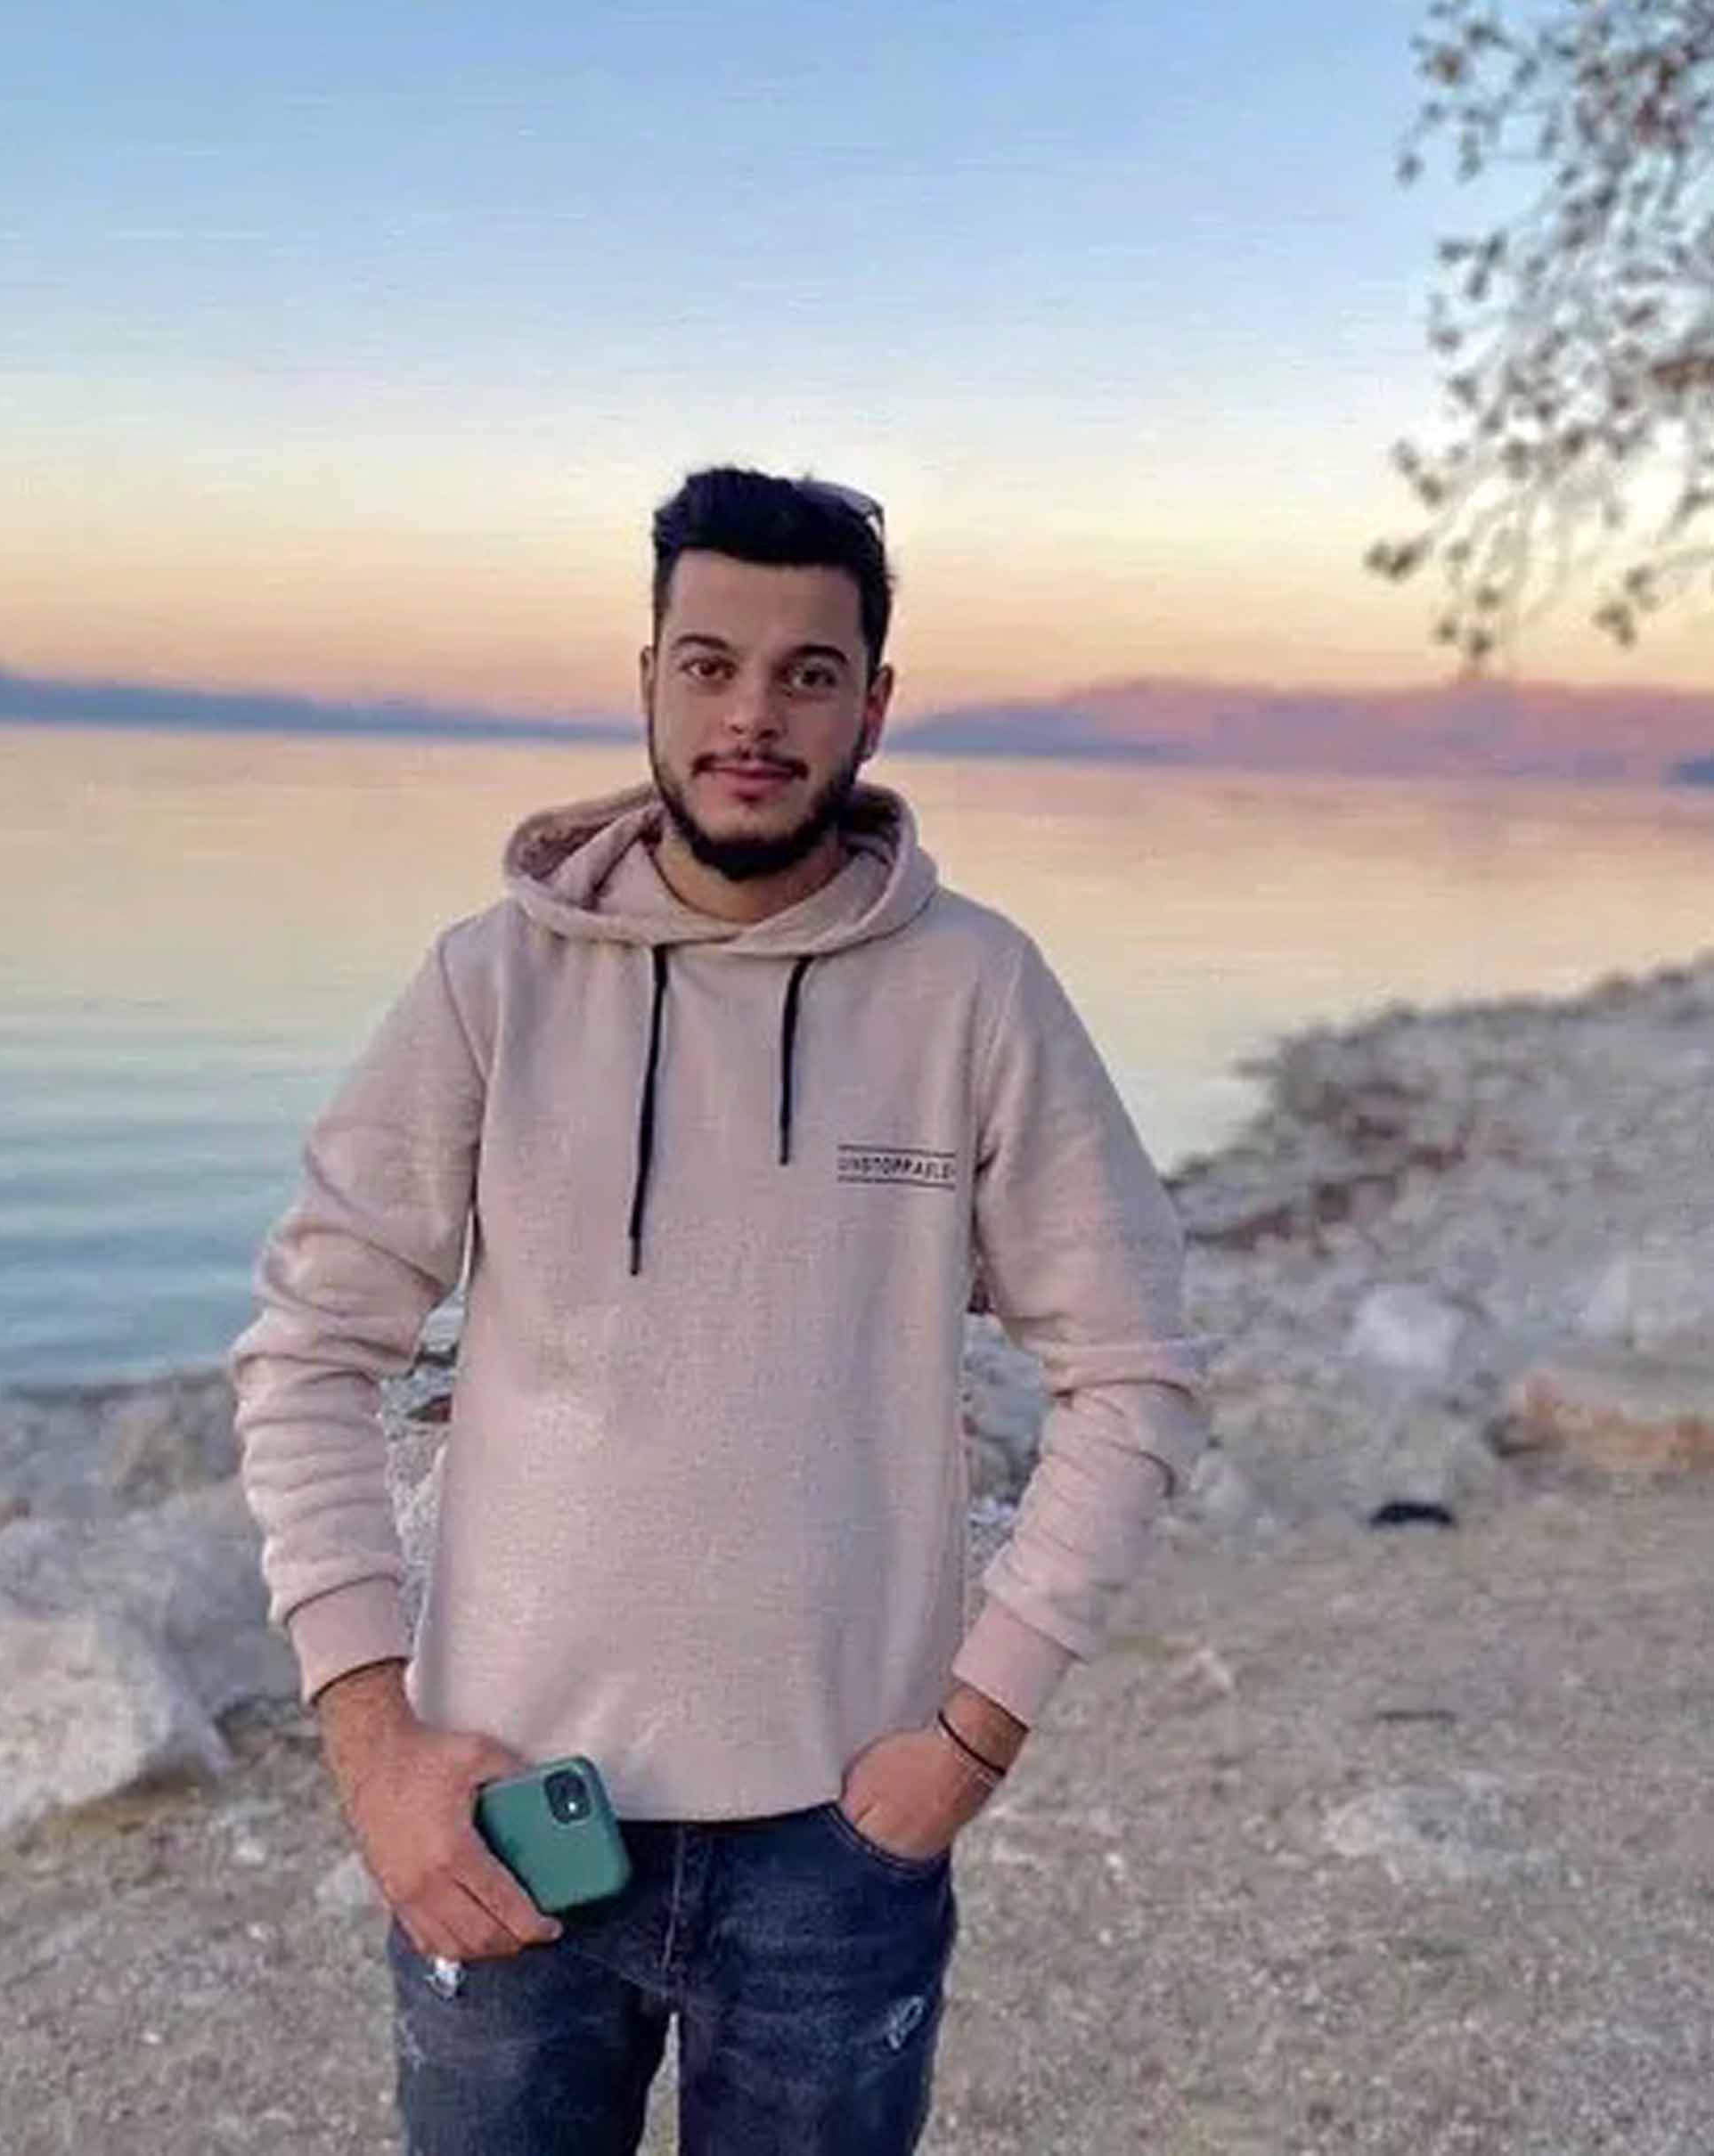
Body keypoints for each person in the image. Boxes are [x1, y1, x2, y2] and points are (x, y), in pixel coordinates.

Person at [230, 464, 1214, 2155]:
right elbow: (308, 1350)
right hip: (510, 1818)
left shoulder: (975, 992)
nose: (752, 714)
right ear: (649, 682)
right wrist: (375, 1746)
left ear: (872, 707)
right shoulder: (493, 983)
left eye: (806, 674)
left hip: (838, 1847)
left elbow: (1135, 1373)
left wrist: (972, 1735)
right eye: (710, 665)